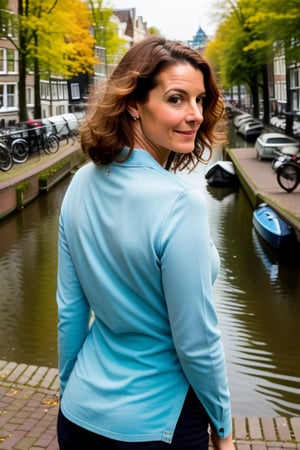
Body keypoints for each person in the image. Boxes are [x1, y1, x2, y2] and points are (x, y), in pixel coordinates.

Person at [56, 35, 235, 450]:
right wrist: (222, 428)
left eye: (200, 100)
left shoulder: (80, 183)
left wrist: (71, 393)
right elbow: (196, 341)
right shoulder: (181, 202)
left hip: (80, 416)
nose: (194, 115)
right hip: (159, 425)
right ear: (134, 103)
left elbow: (70, 313)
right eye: (176, 99)